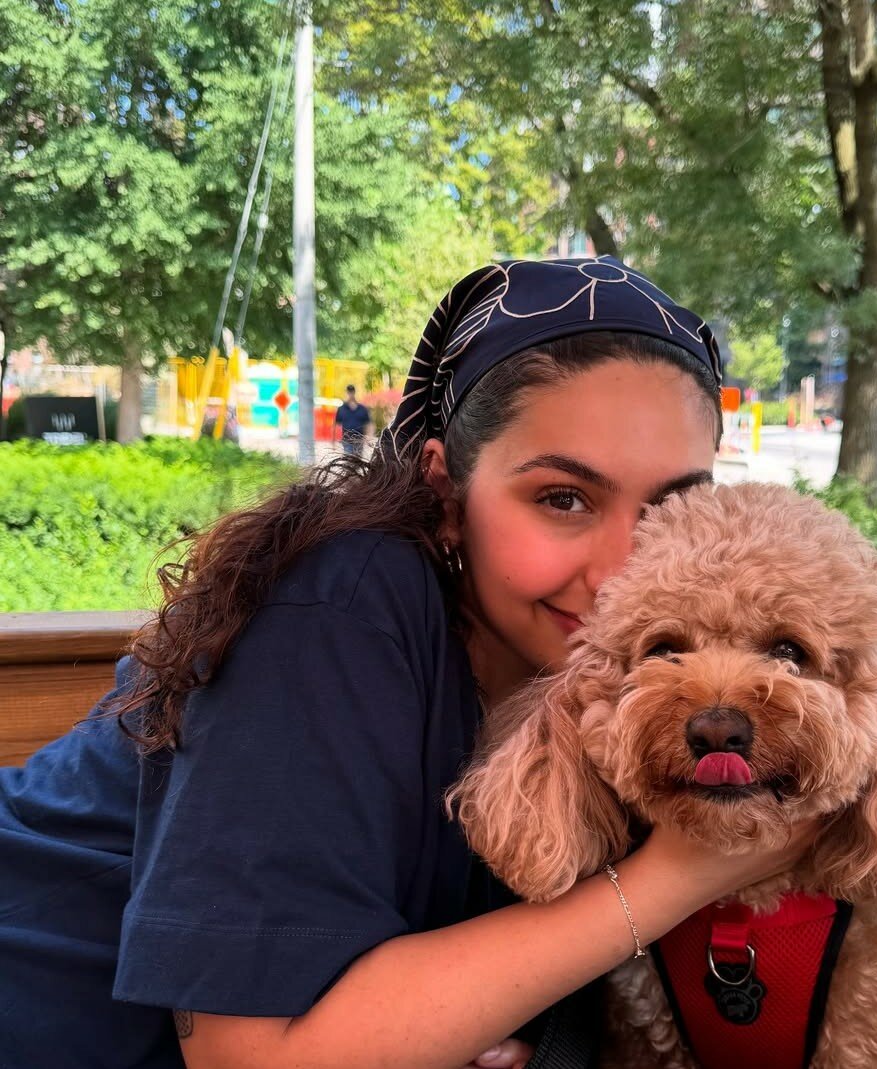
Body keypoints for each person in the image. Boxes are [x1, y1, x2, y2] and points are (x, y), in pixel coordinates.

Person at [0, 256, 818, 1069]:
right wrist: (682, 873)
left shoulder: (636, 685)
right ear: (445, 490)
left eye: (672, 506)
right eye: (562, 499)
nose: (620, 573)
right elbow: (250, 1055)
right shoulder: (336, 606)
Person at [333, 383, 371, 454]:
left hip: (359, 440)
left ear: (354, 393)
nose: (350, 394)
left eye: (351, 392)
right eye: (348, 392)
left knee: (358, 459)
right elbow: (336, 425)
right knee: (348, 458)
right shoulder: (342, 409)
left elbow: (368, 424)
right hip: (347, 440)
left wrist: (368, 437)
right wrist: (334, 442)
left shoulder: (362, 409)